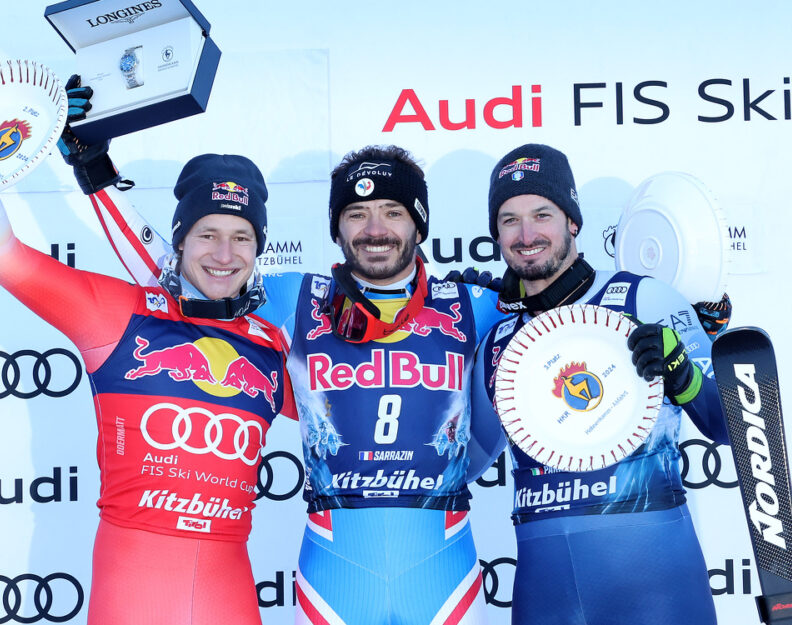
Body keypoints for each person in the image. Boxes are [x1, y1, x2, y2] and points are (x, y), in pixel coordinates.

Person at [0, 63, 295, 625]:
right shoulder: (119, 315)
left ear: (257, 248)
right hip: (134, 586)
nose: (224, 253)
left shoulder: (272, 346)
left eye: (241, 236)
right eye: (207, 234)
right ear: (180, 242)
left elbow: (358, 407)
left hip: (230, 590)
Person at [86, 143, 507, 623]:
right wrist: (96, 175)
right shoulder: (299, 300)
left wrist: (517, 294)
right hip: (335, 576)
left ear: (419, 223)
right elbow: (177, 273)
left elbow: (569, 323)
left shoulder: (474, 303)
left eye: (392, 211)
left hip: (444, 572)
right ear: (337, 228)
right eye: (356, 213)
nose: (375, 229)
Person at [473, 144, 730, 625]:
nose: (527, 235)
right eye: (509, 220)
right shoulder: (499, 339)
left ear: (572, 221)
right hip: (543, 587)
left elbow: (727, 424)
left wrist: (685, 376)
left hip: (656, 578)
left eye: (542, 214)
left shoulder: (643, 296)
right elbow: (463, 460)